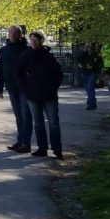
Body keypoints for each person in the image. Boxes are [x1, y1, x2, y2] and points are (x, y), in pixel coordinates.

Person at [16, 30, 64, 158]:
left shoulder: (49, 56)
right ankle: (42, 148)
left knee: (53, 122)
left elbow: (58, 74)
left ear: (41, 41)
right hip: (32, 94)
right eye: (31, 40)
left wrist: (53, 88)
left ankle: (57, 149)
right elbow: (19, 74)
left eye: (36, 40)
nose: (34, 42)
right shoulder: (25, 56)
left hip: (49, 95)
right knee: (38, 122)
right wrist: (25, 88)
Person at [0, 25, 33, 153]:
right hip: (11, 86)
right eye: (10, 33)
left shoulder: (27, 50)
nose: (12, 35)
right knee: (18, 115)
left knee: (25, 114)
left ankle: (26, 143)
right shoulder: (4, 50)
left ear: (20, 35)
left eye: (15, 33)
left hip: (25, 87)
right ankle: (20, 140)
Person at [74, 42, 103, 110]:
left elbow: (100, 63)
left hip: (93, 72)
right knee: (88, 88)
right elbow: (77, 58)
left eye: (90, 46)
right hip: (85, 72)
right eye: (87, 46)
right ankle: (93, 102)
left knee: (90, 87)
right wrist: (84, 50)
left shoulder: (96, 54)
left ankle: (90, 104)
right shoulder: (84, 54)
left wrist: (93, 67)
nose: (89, 47)